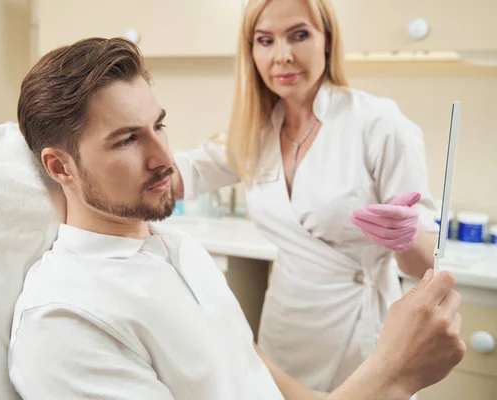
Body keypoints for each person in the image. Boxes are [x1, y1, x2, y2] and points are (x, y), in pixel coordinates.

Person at [8, 36, 465, 400]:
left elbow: (248, 367)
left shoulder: (183, 252)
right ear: (60, 167)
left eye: (159, 126)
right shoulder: (65, 324)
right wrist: (393, 376)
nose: (164, 157)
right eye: (127, 140)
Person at [172, 0, 440, 391]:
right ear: (251, 52)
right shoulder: (256, 131)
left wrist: (408, 236)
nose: (282, 56)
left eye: (299, 35)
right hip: (285, 326)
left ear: (327, 41)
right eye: (265, 40)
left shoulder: (378, 124)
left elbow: (430, 263)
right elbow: (182, 171)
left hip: (359, 332)